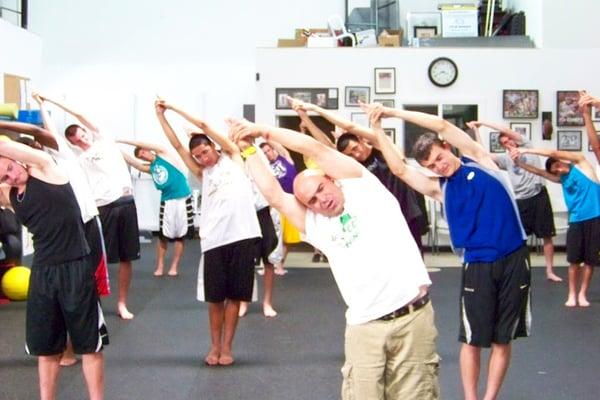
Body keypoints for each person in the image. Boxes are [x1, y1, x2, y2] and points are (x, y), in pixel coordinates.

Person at [227, 118, 438, 399]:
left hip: (413, 320)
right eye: (311, 201)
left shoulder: (364, 187)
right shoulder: (315, 225)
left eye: (321, 190)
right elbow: (275, 196)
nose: (320, 200)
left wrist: (263, 130)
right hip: (365, 328)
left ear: (331, 180)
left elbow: (314, 148)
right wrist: (249, 151)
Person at [362, 103, 530, 400]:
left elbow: (440, 124)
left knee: (503, 338)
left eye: (440, 157)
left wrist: (393, 113)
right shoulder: (441, 189)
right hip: (477, 264)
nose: (439, 166)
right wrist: (377, 129)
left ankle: (490, 397)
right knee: (472, 339)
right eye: (431, 166)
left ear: (447, 147)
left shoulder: (481, 162)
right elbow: (399, 169)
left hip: (514, 259)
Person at [4, 94, 111, 368]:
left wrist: (36, 109)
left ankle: (81, 342)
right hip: (56, 233)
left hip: (85, 224)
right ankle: (63, 349)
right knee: (56, 292)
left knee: (85, 290)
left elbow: (37, 130)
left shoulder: (59, 155)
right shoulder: (28, 178)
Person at [155, 98, 261, 366]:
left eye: (205, 152)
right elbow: (177, 146)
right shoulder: (203, 173)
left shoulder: (234, 158)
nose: (203, 157)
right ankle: (214, 347)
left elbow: (202, 125)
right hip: (214, 241)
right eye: (198, 156)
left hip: (243, 236)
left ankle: (227, 348)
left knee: (235, 296)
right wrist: (161, 117)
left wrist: (174, 107)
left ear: (213, 147)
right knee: (215, 299)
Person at [39, 95, 139, 320]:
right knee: (94, 259)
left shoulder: (104, 140)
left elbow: (80, 115)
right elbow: (52, 134)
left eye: (82, 133)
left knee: (126, 258)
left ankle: (122, 303)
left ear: (86, 131)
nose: (81, 139)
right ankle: (93, 304)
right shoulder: (77, 156)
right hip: (102, 208)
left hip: (126, 203)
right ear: (73, 143)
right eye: (76, 139)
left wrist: (53, 100)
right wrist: (42, 106)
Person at [288, 96, 428, 254]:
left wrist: (316, 108)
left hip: (407, 211)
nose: (357, 154)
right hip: (380, 217)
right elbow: (324, 147)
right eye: (350, 154)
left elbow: (350, 126)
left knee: (414, 258)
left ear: (361, 140)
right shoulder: (354, 167)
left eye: (355, 148)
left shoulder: (382, 146)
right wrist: (304, 117)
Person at [467, 120, 561, 282]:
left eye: (508, 139)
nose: (507, 143)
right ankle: (521, 269)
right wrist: (476, 130)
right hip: (520, 200)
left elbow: (504, 129)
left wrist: (483, 122)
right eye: (503, 143)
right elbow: (483, 155)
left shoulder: (528, 147)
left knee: (546, 236)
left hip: (538, 196)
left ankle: (550, 271)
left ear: (514, 138)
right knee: (521, 239)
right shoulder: (505, 159)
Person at [510, 145, 600, 307]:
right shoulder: (561, 178)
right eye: (555, 170)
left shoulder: (581, 164)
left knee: (590, 260)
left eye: (557, 165)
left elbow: (552, 153)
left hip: (595, 218)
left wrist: (525, 150)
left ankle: (582, 294)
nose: (558, 169)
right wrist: (520, 164)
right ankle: (572, 293)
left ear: (562, 161)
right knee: (574, 260)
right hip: (576, 220)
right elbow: (539, 172)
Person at [119, 139, 193, 277]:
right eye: (140, 155)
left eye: (143, 152)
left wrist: (123, 140)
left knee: (181, 235)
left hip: (183, 198)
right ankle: (160, 265)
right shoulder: (151, 168)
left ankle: (174, 266)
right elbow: (134, 163)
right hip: (167, 201)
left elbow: (153, 145)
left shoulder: (165, 155)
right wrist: (115, 147)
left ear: (148, 149)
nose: (143, 155)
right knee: (163, 236)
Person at [258, 140, 302, 270]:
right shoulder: (266, 168)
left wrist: (267, 135)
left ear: (273, 149)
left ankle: (280, 264)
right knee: (274, 236)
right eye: (264, 153)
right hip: (277, 204)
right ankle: (268, 264)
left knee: (289, 238)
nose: (267, 154)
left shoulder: (285, 158)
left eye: (268, 150)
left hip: (292, 202)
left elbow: (281, 148)